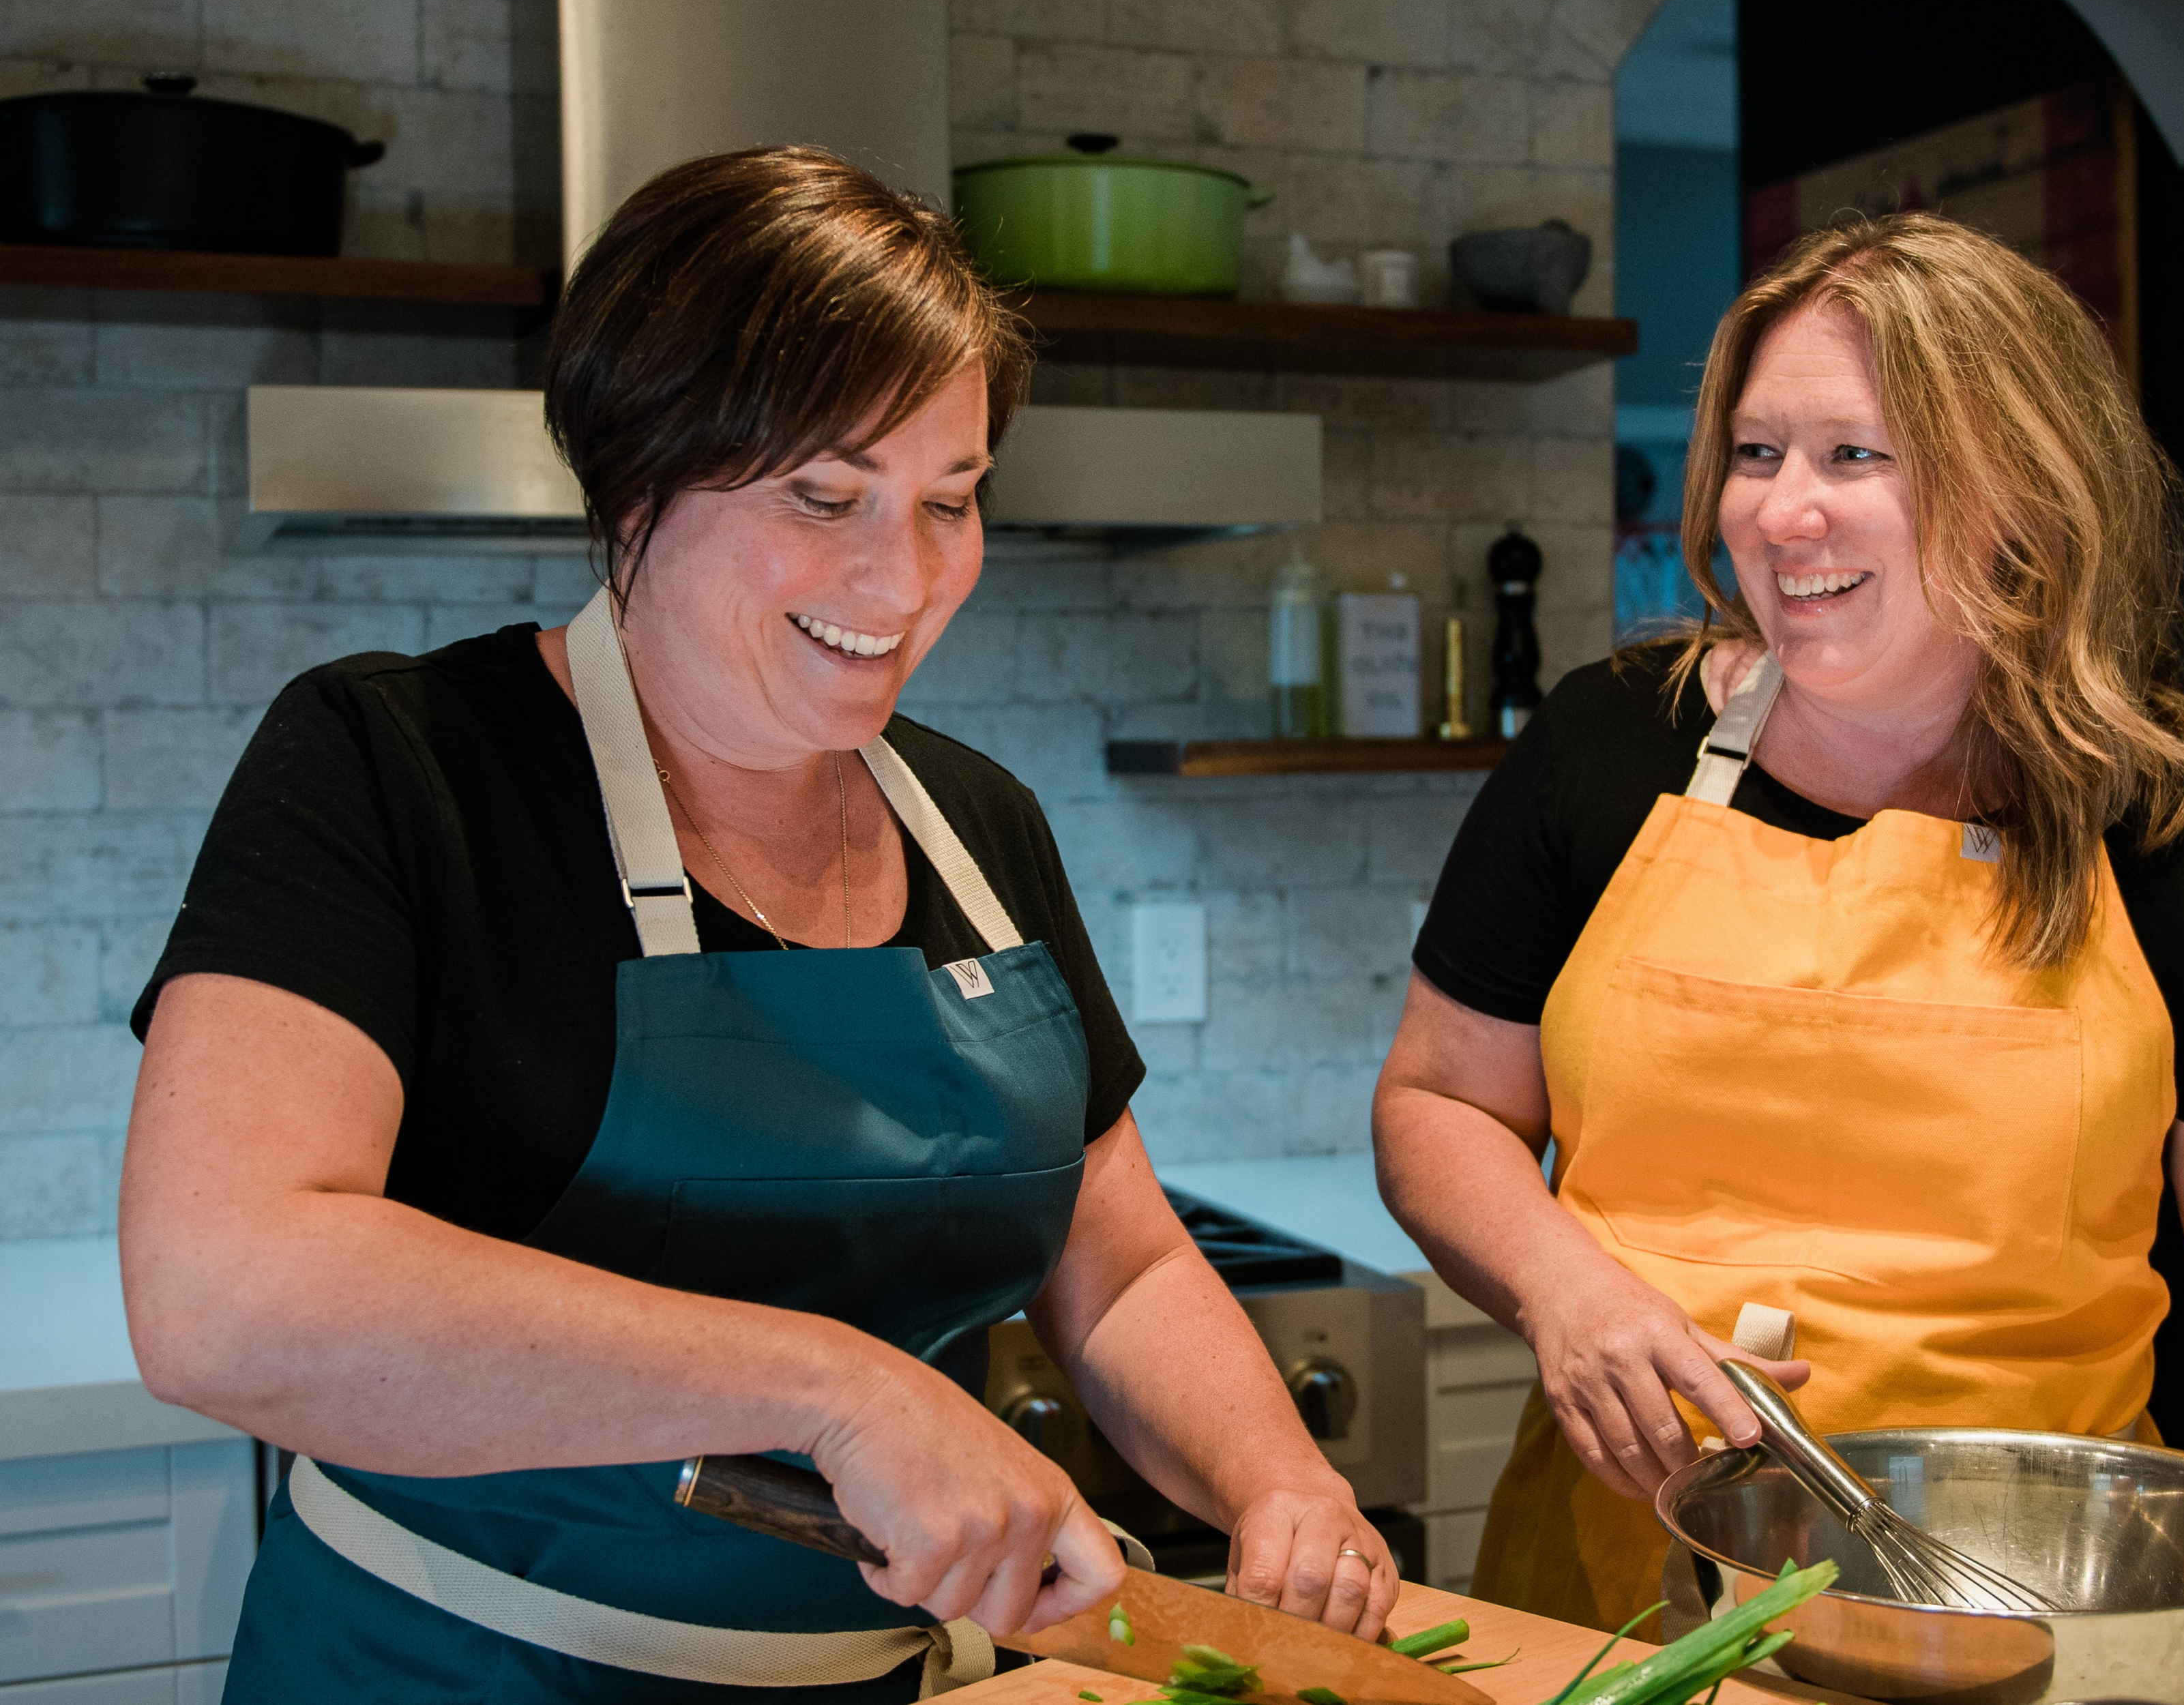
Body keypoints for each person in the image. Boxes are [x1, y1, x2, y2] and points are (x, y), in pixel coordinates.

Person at [119, 147, 1397, 1702]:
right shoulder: (395, 768)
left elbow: (1118, 1271)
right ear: (640, 470)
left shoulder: (978, 826)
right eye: (823, 494)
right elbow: (224, 1296)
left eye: (952, 499)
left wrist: (1278, 1484)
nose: (904, 575)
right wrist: (839, 1393)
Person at [1374, 213, 2184, 1650]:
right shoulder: (1613, 745)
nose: (1780, 513)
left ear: (2021, 489)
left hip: (2029, 1594)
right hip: (1620, 1574)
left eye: (1852, 457)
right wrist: (1561, 1286)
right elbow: (1438, 1101)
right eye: (1757, 455)